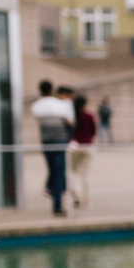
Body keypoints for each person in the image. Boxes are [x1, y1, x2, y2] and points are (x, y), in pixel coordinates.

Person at [31, 80, 73, 217]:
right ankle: (58, 205)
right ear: (51, 90)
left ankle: (50, 188)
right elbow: (69, 121)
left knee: (53, 170)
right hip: (59, 141)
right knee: (59, 172)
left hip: (46, 141)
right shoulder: (60, 105)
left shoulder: (36, 106)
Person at [68, 94, 97, 209]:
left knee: (73, 172)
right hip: (88, 146)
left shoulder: (73, 116)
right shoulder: (89, 115)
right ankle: (87, 199)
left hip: (75, 146)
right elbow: (93, 131)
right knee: (86, 174)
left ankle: (76, 194)